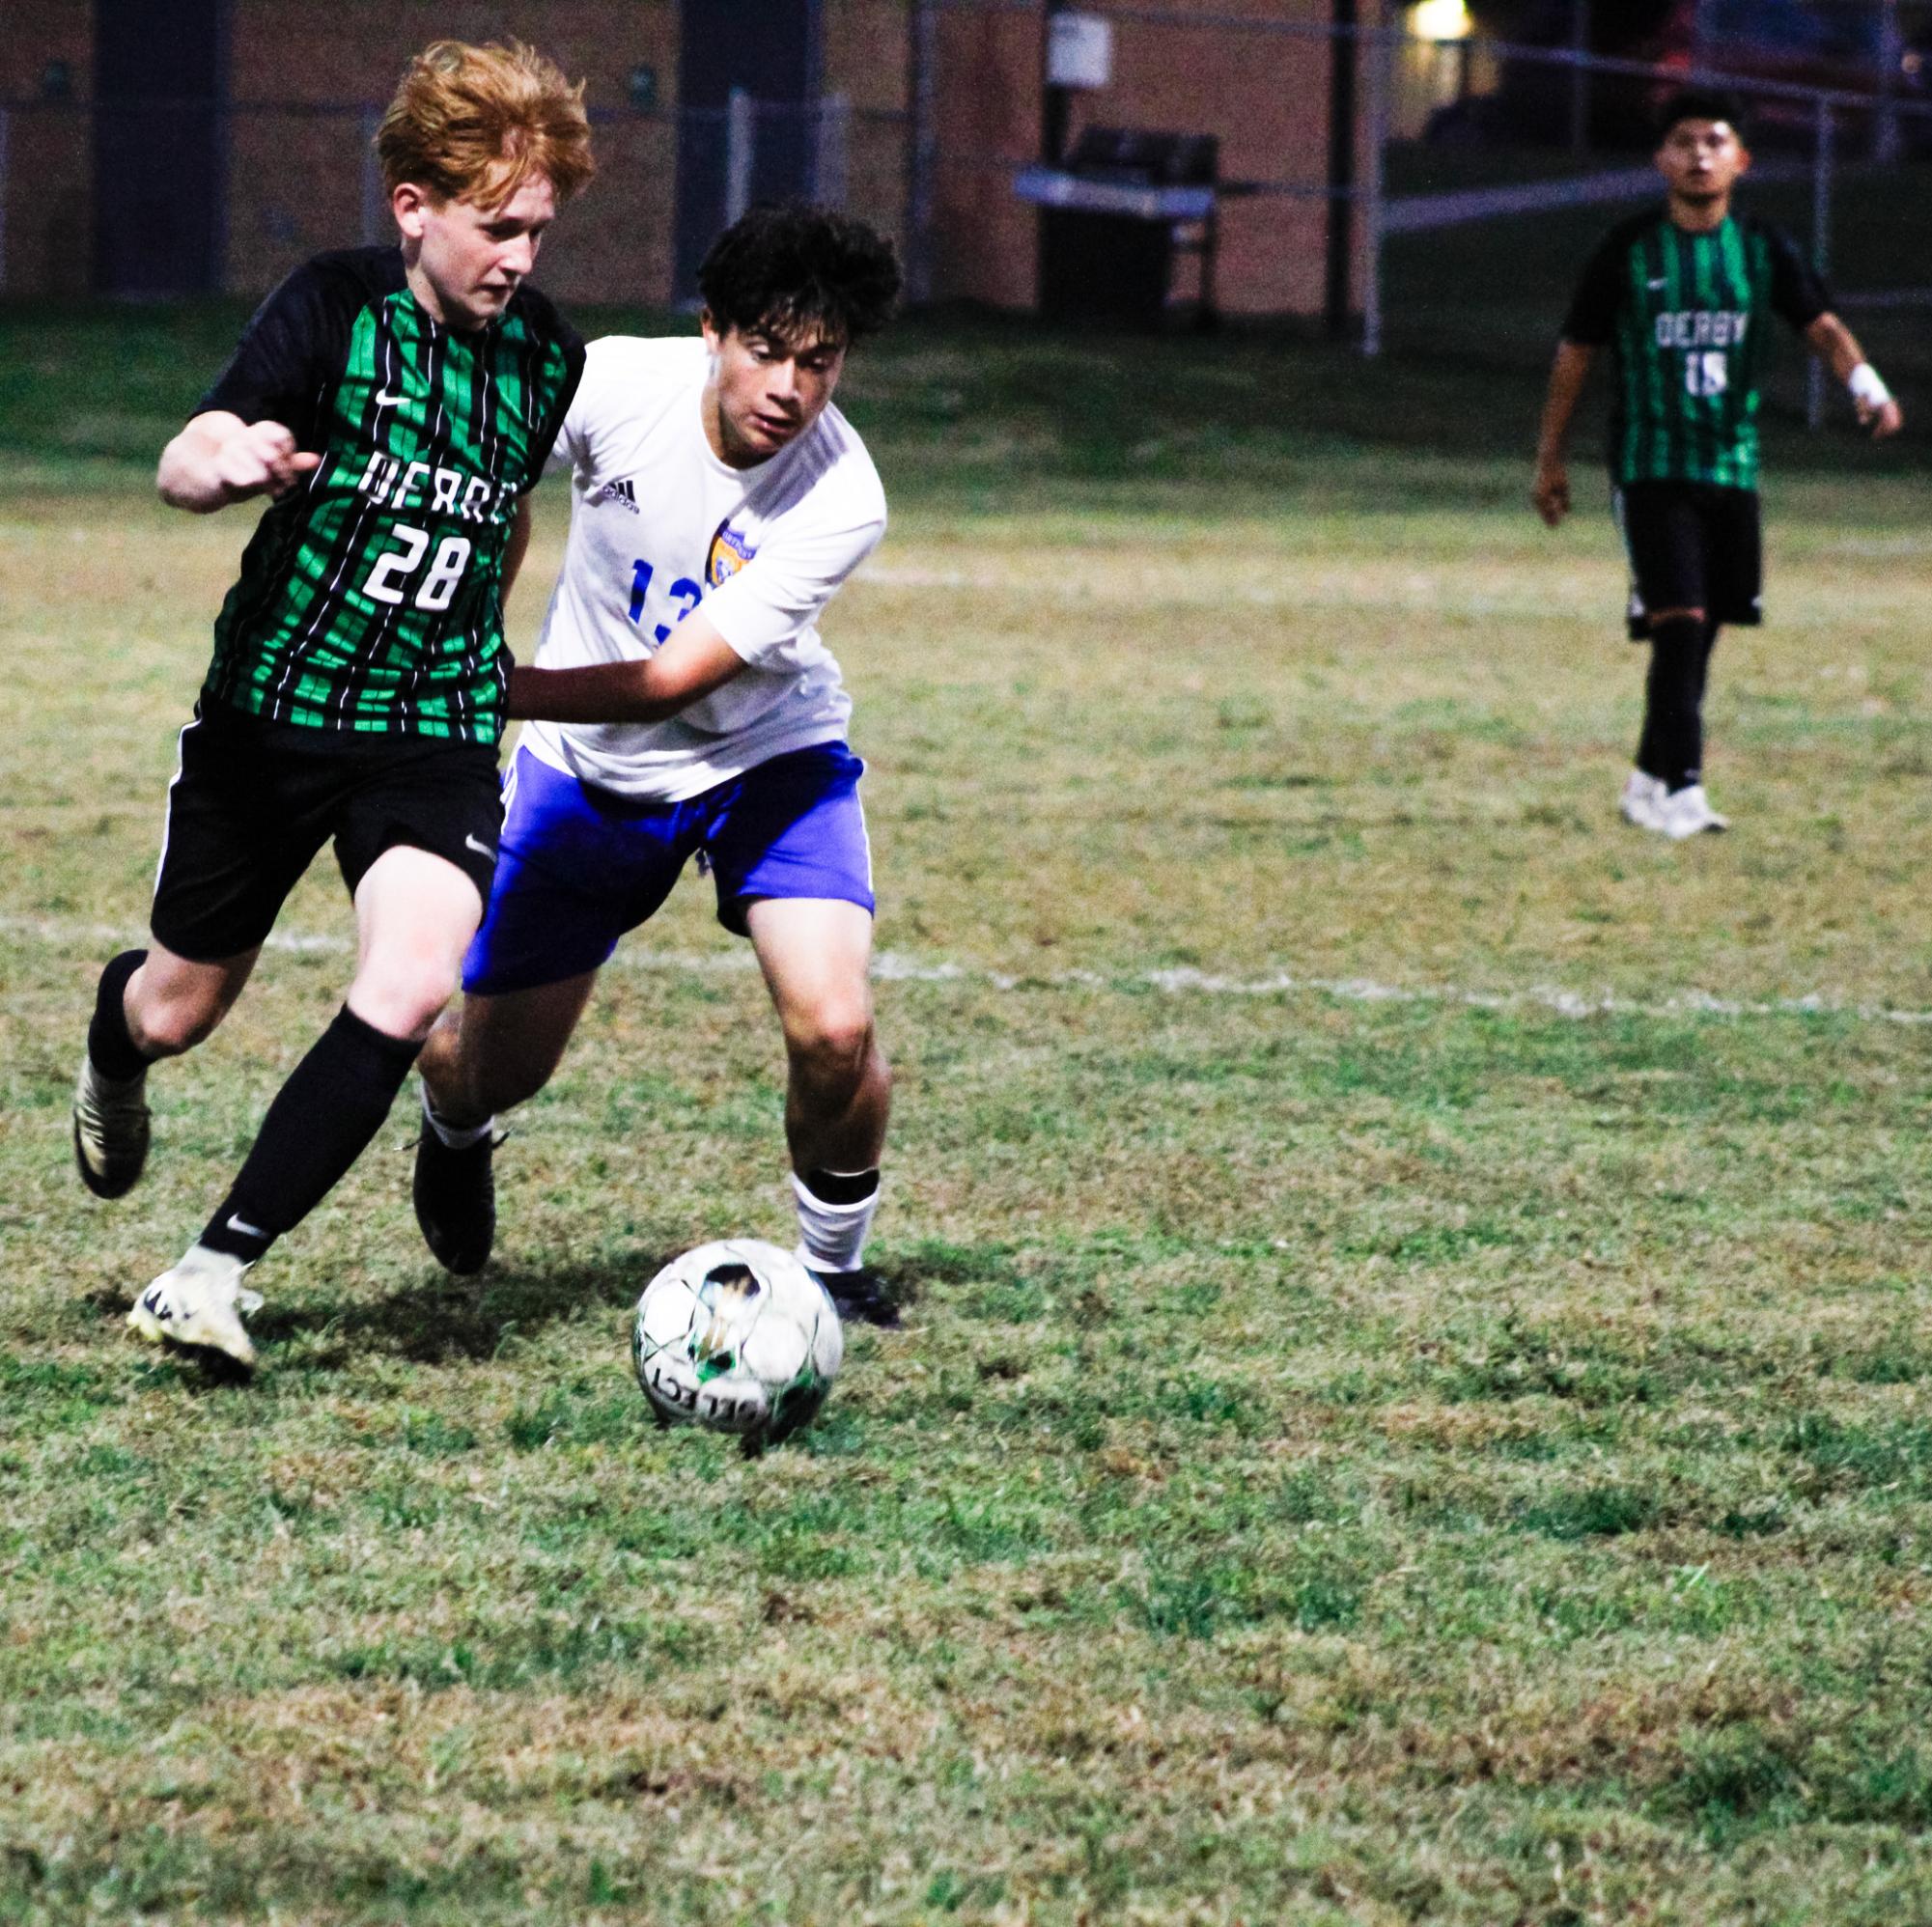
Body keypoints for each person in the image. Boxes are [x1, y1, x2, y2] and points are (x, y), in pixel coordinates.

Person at [70, 40, 595, 1367]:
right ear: (413, 204)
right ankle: (113, 1036)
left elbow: (501, 524)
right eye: (495, 227)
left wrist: (478, 650)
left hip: (430, 728)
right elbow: (188, 455)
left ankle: (207, 1274)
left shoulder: (544, 355)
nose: (520, 257)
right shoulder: (334, 307)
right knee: (181, 1009)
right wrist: (229, 461)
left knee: (417, 980)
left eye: (538, 229)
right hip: (274, 713)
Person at [409, 202, 905, 1328]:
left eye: (819, 362)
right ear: (713, 332)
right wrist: (481, 613)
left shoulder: (843, 496)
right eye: (766, 352)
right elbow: (498, 487)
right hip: (591, 776)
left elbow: (674, 680)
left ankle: (831, 1267)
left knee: (833, 1025)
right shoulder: (615, 384)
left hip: (766, 759)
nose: (789, 386)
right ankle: (453, 1125)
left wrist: (485, 688)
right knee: (484, 1066)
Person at [1532, 86, 1901, 839]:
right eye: (1683, 141)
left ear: (1740, 159)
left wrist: (1864, 383)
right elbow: (1575, 354)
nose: (1698, 154)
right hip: (1649, 465)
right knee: (1680, 621)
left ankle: (1643, 783)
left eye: (1713, 141)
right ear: (1659, 158)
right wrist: (1550, 459)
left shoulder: (1761, 249)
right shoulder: (1628, 250)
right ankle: (1684, 791)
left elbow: (1820, 325)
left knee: (1699, 633)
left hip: (1730, 466)